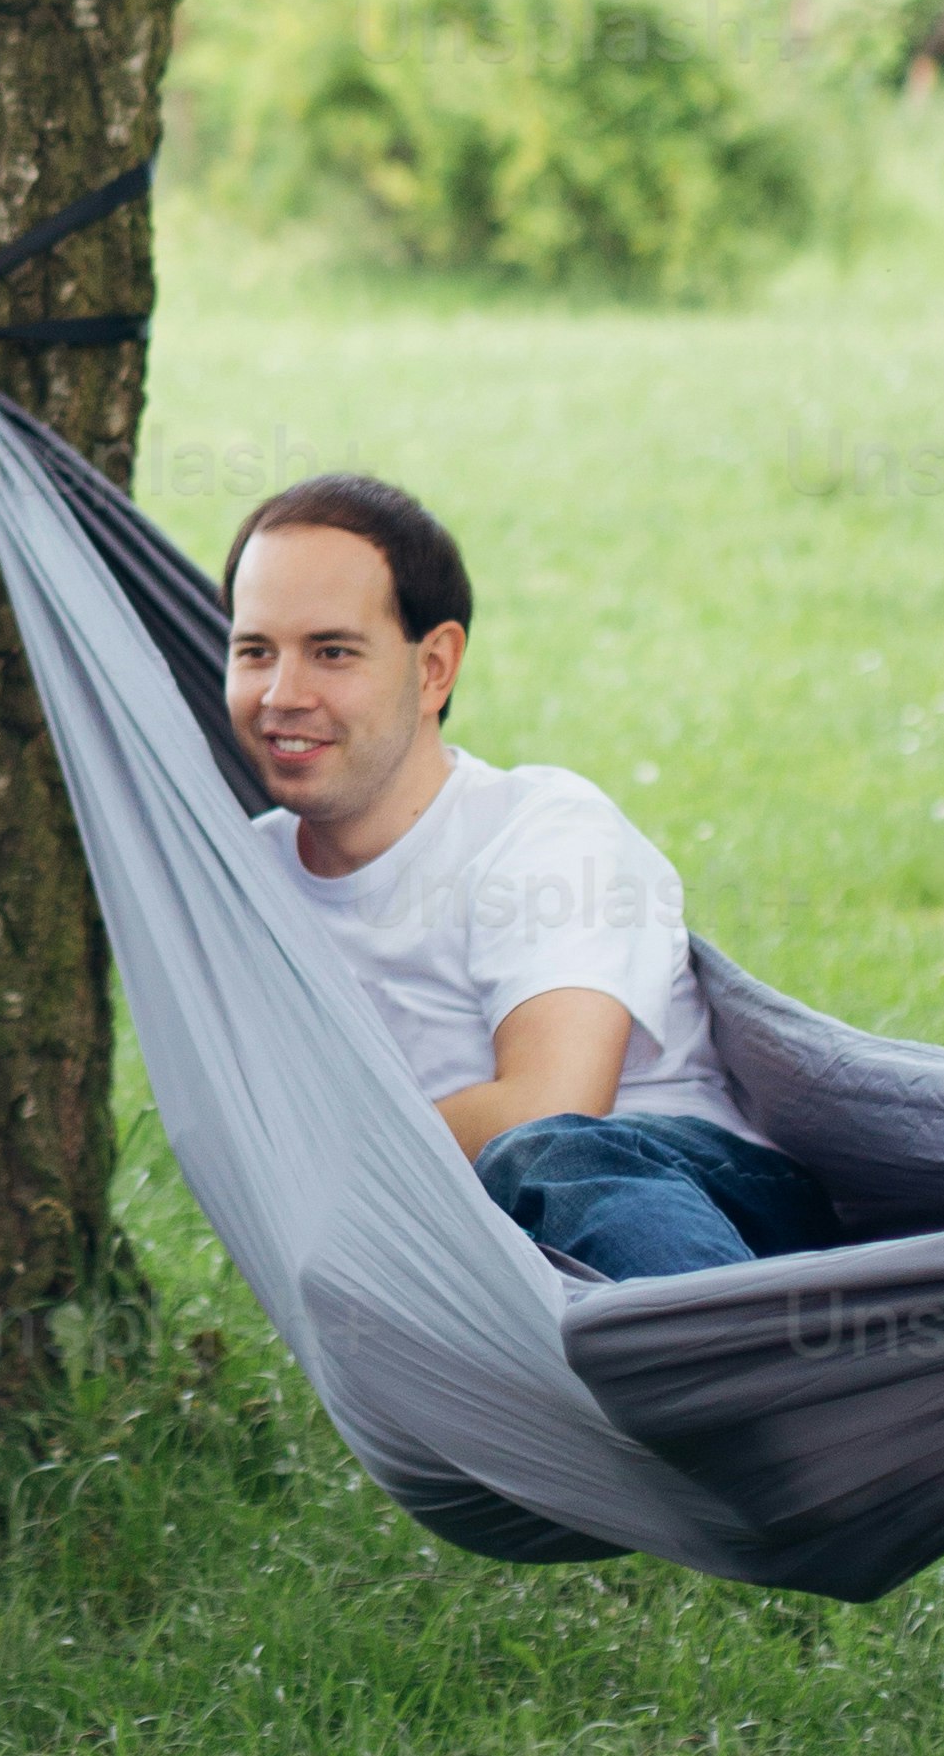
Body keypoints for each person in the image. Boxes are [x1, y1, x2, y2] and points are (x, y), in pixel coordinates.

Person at [223, 472, 833, 1285]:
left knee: (546, 1153)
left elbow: (551, 1102)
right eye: (254, 651)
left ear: (435, 667)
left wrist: (323, 1165)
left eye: (332, 652)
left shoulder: (542, 834)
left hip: (715, 1209)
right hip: (491, 1262)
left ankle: (743, 1374)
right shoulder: (237, 884)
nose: (282, 694)